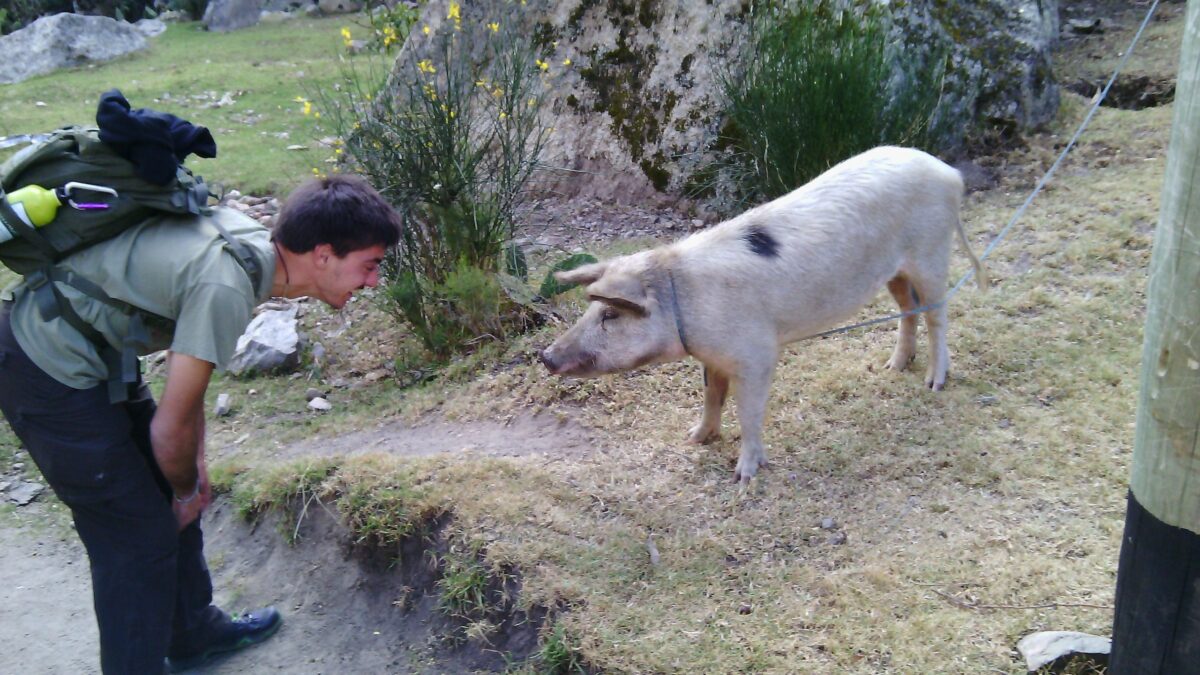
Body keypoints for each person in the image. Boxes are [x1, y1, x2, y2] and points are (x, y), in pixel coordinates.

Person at [0, 173, 402, 673]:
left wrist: (191, 475)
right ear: (323, 254)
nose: (373, 282)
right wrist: (187, 483)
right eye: (369, 265)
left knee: (171, 490)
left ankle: (192, 634)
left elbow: (187, 393)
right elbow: (169, 430)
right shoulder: (227, 283)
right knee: (133, 535)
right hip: (43, 362)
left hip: (97, 353)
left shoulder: (253, 251)